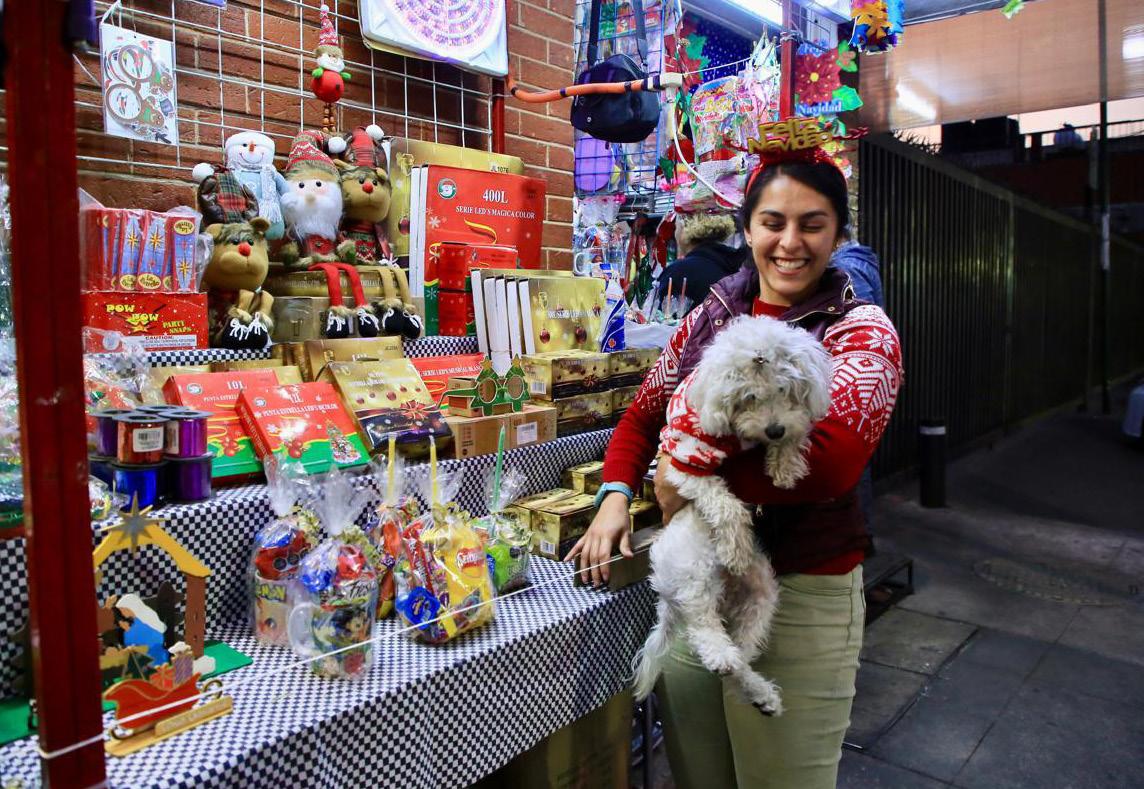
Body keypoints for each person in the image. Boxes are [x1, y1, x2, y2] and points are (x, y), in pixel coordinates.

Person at [567, 150, 903, 788]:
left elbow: (828, 465)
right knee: (700, 775)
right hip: (700, 590)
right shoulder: (710, 317)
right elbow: (643, 414)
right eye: (773, 222)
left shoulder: (861, 331)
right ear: (746, 229)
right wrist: (614, 496)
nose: (790, 242)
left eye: (812, 224)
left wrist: (683, 478)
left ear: (838, 233)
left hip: (801, 590)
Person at [655, 211, 749, 315]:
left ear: (684, 228)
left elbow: (659, 320)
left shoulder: (677, 272)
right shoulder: (737, 266)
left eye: (676, 227)